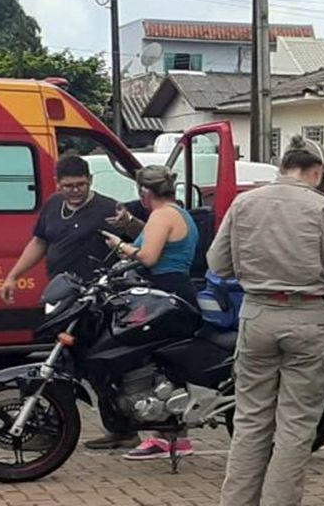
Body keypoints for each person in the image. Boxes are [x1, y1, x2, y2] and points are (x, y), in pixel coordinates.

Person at [209, 135, 324, 506]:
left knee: (250, 421)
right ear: (316, 172)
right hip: (308, 315)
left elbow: (217, 264)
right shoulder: (323, 206)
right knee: (296, 426)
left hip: (257, 313)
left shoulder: (244, 202)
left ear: (283, 167)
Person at [0, 155, 140, 450]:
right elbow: (39, 242)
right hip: (62, 297)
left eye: (80, 184)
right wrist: (14, 275)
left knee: (72, 362)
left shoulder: (107, 208)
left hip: (94, 300)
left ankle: (54, 429)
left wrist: (129, 224)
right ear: (57, 184)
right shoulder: (52, 206)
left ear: (90, 180)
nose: (74, 191)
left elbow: (140, 239)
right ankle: (119, 429)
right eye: (68, 186)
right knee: (72, 362)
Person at [102, 164, 200, 461]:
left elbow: (147, 255)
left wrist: (119, 244)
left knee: (157, 361)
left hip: (165, 292)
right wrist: (130, 224)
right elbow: (151, 238)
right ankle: (166, 433)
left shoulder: (162, 215)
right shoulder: (177, 213)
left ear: (145, 193)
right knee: (164, 362)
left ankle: (173, 436)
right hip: (174, 290)